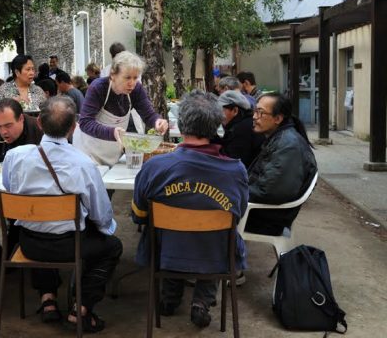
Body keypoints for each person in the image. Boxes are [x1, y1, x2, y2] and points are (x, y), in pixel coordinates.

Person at [3, 96, 122, 332]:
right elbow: (101, 215)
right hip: (70, 244)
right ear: (74, 127)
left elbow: (11, 190)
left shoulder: (15, 157)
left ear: (38, 122)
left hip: (29, 243)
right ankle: (83, 306)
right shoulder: (83, 164)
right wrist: (104, 229)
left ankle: (48, 299)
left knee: (37, 222)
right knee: (112, 246)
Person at [132, 90, 248, 328]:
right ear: (217, 126)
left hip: (167, 251)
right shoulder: (236, 171)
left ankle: (169, 298)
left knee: (167, 235)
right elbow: (238, 212)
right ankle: (202, 302)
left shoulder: (155, 166)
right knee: (218, 235)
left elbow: (139, 214)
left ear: (181, 125)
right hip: (215, 252)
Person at [0, 98, 43, 265]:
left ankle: (14, 245)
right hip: (1, 189)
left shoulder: (38, 130)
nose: (3, 132)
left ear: (21, 119)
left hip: (33, 193)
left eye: (8, 126)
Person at [76, 51, 168, 166]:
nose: (132, 83)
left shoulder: (136, 90)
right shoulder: (98, 88)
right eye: (127, 78)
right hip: (88, 153)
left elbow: (149, 115)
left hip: (113, 154)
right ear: (113, 75)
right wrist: (112, 132)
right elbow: (85, 122)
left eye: (135, 78)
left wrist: (157, 121)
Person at [246, 92, 317, 235]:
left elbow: (270, 192)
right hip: (263, 213)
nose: (254, 117)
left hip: (267, 219)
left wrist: (233, 192)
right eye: (255, 111)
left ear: (278, 118)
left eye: (260, 113)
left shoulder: (288, 146)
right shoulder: (281, 138)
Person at [215, 90, 264, 168]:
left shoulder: (242, 129)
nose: (218, 114)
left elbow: (233, 163)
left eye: (221, 110)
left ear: (235, 111)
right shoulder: (241, 123)